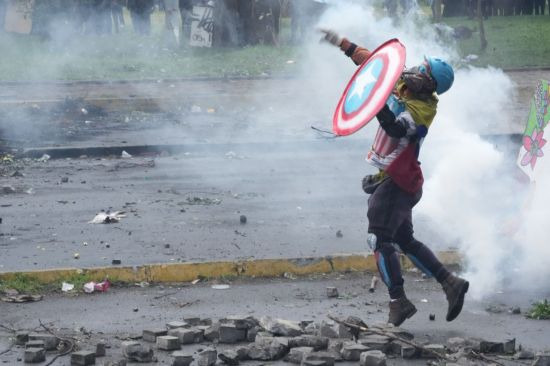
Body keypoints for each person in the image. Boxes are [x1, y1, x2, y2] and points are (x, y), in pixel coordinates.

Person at [320, 29, 470, 327]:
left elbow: (395, 128)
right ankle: (451, 283)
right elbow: (375, 65)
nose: (414, 70)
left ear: (430, 83)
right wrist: (344, 44)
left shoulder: (422, 109)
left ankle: (398, 302)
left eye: (423, 70)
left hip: (399, 183)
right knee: (404, 239)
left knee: (378, 237)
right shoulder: (407, 85)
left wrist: (376, 103)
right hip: (395, 178)